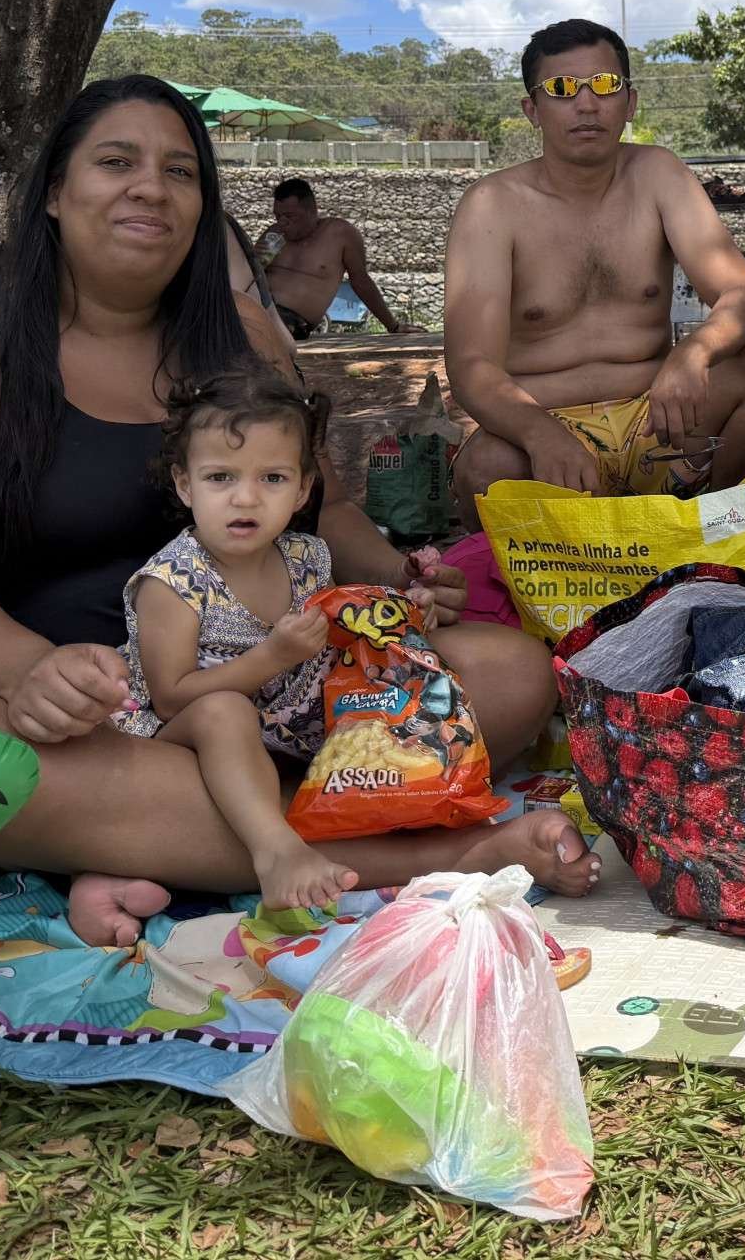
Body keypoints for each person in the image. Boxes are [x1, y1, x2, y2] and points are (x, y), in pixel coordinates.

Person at [0, 74, 568, 947]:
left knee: (510, 672)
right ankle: (438, 848)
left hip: (288, 680)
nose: (149, 186)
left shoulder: (243, 330)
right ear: (54, 191)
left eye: (181, 172)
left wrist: (396, 582)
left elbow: (328, 510)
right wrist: (30, 672)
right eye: (116, 161)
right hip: (88, 717)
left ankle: (159, 841)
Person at [113, 366, 589, 913]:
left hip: (294, 730)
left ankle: (402, 811)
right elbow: (173, 696)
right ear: (184, 484)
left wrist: (405, 616)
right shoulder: (172, 582)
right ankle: (275, 850)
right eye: (221, 478)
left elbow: (347, 641)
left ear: (303, 489)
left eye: (271, 479)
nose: (245, 499)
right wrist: (273, 657)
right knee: (225, 712)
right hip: (195, 736)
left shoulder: (306, 557)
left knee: (398, 689)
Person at [446, 20, 745, 508]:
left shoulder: (659, 173)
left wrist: (693, 352)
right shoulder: (491, 205)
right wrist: (539, 432)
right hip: (548, 427)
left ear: (630, 102)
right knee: (486, 469)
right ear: (532, 109)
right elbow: (471, 366)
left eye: (606, 85)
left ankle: (712, 529)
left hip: (661, 425)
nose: (587, 104)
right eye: (561, 88)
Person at [255, 178, 399, 338]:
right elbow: (245, 278)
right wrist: (254, 261)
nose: (283, 222)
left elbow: (361, 281)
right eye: (278, 216)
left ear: (312, 211)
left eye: (290, 216)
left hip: (291, 321)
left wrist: (393, 326)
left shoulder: (339, 234)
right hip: (255, 309)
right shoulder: (273, 234)